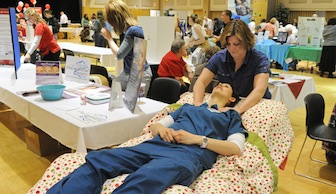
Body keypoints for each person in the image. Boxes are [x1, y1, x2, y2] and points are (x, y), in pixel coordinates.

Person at [46, 82, 248, 194]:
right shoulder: (187, 107)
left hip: (187, 155)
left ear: (232, 99)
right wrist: (162, 131)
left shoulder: (231, 116)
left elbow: (235, 148)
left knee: (146, 177)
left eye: (227, 85)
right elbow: (156, 125)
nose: (221, 84)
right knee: (99, 159)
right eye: (219, 83)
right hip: (155, 144)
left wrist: (197, 140)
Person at [193, 19, 271, 115]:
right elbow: (201, 82)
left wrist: (238, 110)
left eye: (236, 44)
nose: (231, 48)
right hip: (229, 105)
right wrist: (197, 103)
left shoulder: (259, 60)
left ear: (247, 42)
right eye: (228, 44)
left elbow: (259, 90)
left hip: (253, 104)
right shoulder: (219, 57)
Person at [100, 0, 152, 95]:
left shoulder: (133, 31)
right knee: (115, 96)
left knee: (133, 106)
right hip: (128, 72)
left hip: (139, 75)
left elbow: (119, 55)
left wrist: (109, 38)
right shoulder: (129, 30)